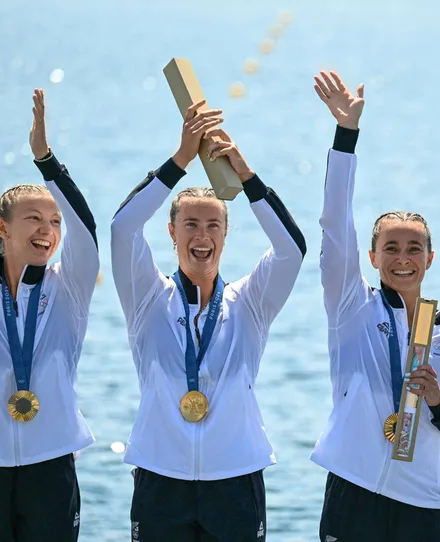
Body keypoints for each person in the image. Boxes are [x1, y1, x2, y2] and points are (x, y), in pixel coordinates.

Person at [110, 100, 306, 541]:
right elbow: (123, 228)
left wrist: (245, 175)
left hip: (235, 477)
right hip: (161, 475)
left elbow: (292, 249)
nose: (202, 237)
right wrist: (181, 158)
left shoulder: (251, 301)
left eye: (213, 226)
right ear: (171, 232)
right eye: (191, 225)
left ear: (226, 233)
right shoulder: (145, 295)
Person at [309, 71, 440, 542]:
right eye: (390, 248)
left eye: (413, 249)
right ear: (371, 257)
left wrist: (437, 401)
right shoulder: (351, 306)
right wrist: (347, 135)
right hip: (354, 490)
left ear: (430, 258)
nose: (402, 259)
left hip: (423, 504)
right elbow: (333, 223)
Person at [0, 89, 99, 541]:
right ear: (1, 228)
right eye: (34, 219)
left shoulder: (71, 286)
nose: (48, 230)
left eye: (54, 221)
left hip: (51, 464)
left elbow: (87, 226)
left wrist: (45, 159)